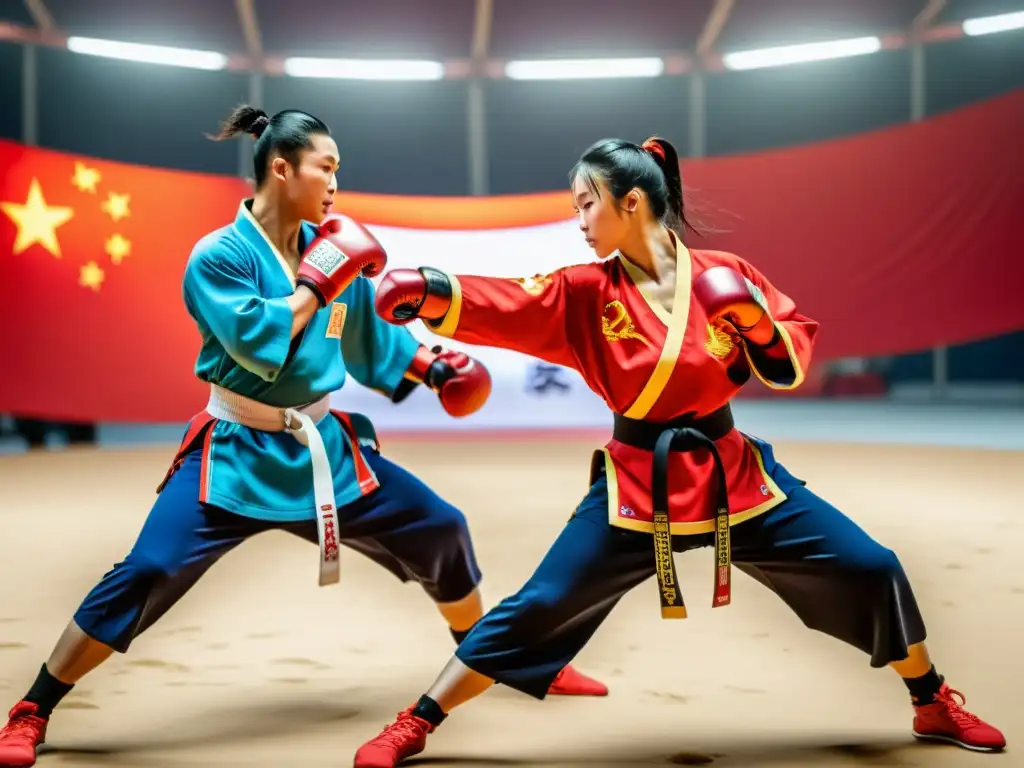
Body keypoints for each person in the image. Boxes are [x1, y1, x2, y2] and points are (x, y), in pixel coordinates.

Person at [351, 136, 1007, 767]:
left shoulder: (727, 275)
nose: (578, 219)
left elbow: (784, 369)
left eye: (586, 202)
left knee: (870, 565)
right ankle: (419, 719)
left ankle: (930, 699)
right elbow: (511, 301)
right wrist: (433, 288)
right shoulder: (586, 290)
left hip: (734, 475)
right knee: (541, 603)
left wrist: (753, 322)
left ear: (631, 201)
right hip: (637, 486)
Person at [0, 106, 607, 768]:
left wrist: (431, 366)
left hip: (323, 451)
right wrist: (320, 280)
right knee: (147, 569)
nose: (335, 182)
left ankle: (503, 660)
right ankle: (34, 707)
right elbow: (260, 341)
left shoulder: (333, 247)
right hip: (234, 453)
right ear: (282, 168)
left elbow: (371, 336)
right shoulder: (221, 256)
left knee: (441, 527)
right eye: (327, 166)